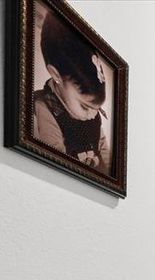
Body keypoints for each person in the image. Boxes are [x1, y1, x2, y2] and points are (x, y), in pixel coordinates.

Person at [33, 11, 111, 174]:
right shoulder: (45, 108)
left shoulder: (91, 113)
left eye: (96, 108)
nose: (92, 115)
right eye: (84, 106)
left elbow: (103, 148)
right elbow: (55, 159)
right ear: (56, 75)